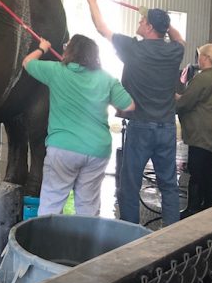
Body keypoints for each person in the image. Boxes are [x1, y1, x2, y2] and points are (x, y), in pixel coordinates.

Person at [85, 0, 186, 226]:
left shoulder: (133, 49)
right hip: (167, 127)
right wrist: (163, 20)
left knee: (129, 186)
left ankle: (131, 235)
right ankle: (172, 236)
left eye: (143, 20)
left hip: (140, 127)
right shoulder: (174, 51)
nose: (139, 21)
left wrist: (91, 0)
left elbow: (101, 28)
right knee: (169, 185)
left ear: (150, 27)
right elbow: (179, 37)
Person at [23, 34, 134, 217]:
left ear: (69, 51)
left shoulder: (56, 71)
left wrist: (43, 47)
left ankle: (46, 244)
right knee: (88, 207)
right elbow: (129, 105)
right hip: (97, 150)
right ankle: (85, 244)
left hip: (62, 148)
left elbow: (27, 62)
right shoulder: (106, 79)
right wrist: (111, 100)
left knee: (51, 202)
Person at [176, 43, 212, 216]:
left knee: (196, 169)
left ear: (206, 58)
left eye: (199, 55)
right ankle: (207, 204)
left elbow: (184, 103)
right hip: (211, 131)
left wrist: (171, 97)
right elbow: (195, 99)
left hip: (201, 133)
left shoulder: (203, 78)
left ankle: (192, 209)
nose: (197, 59)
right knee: (207, 168)